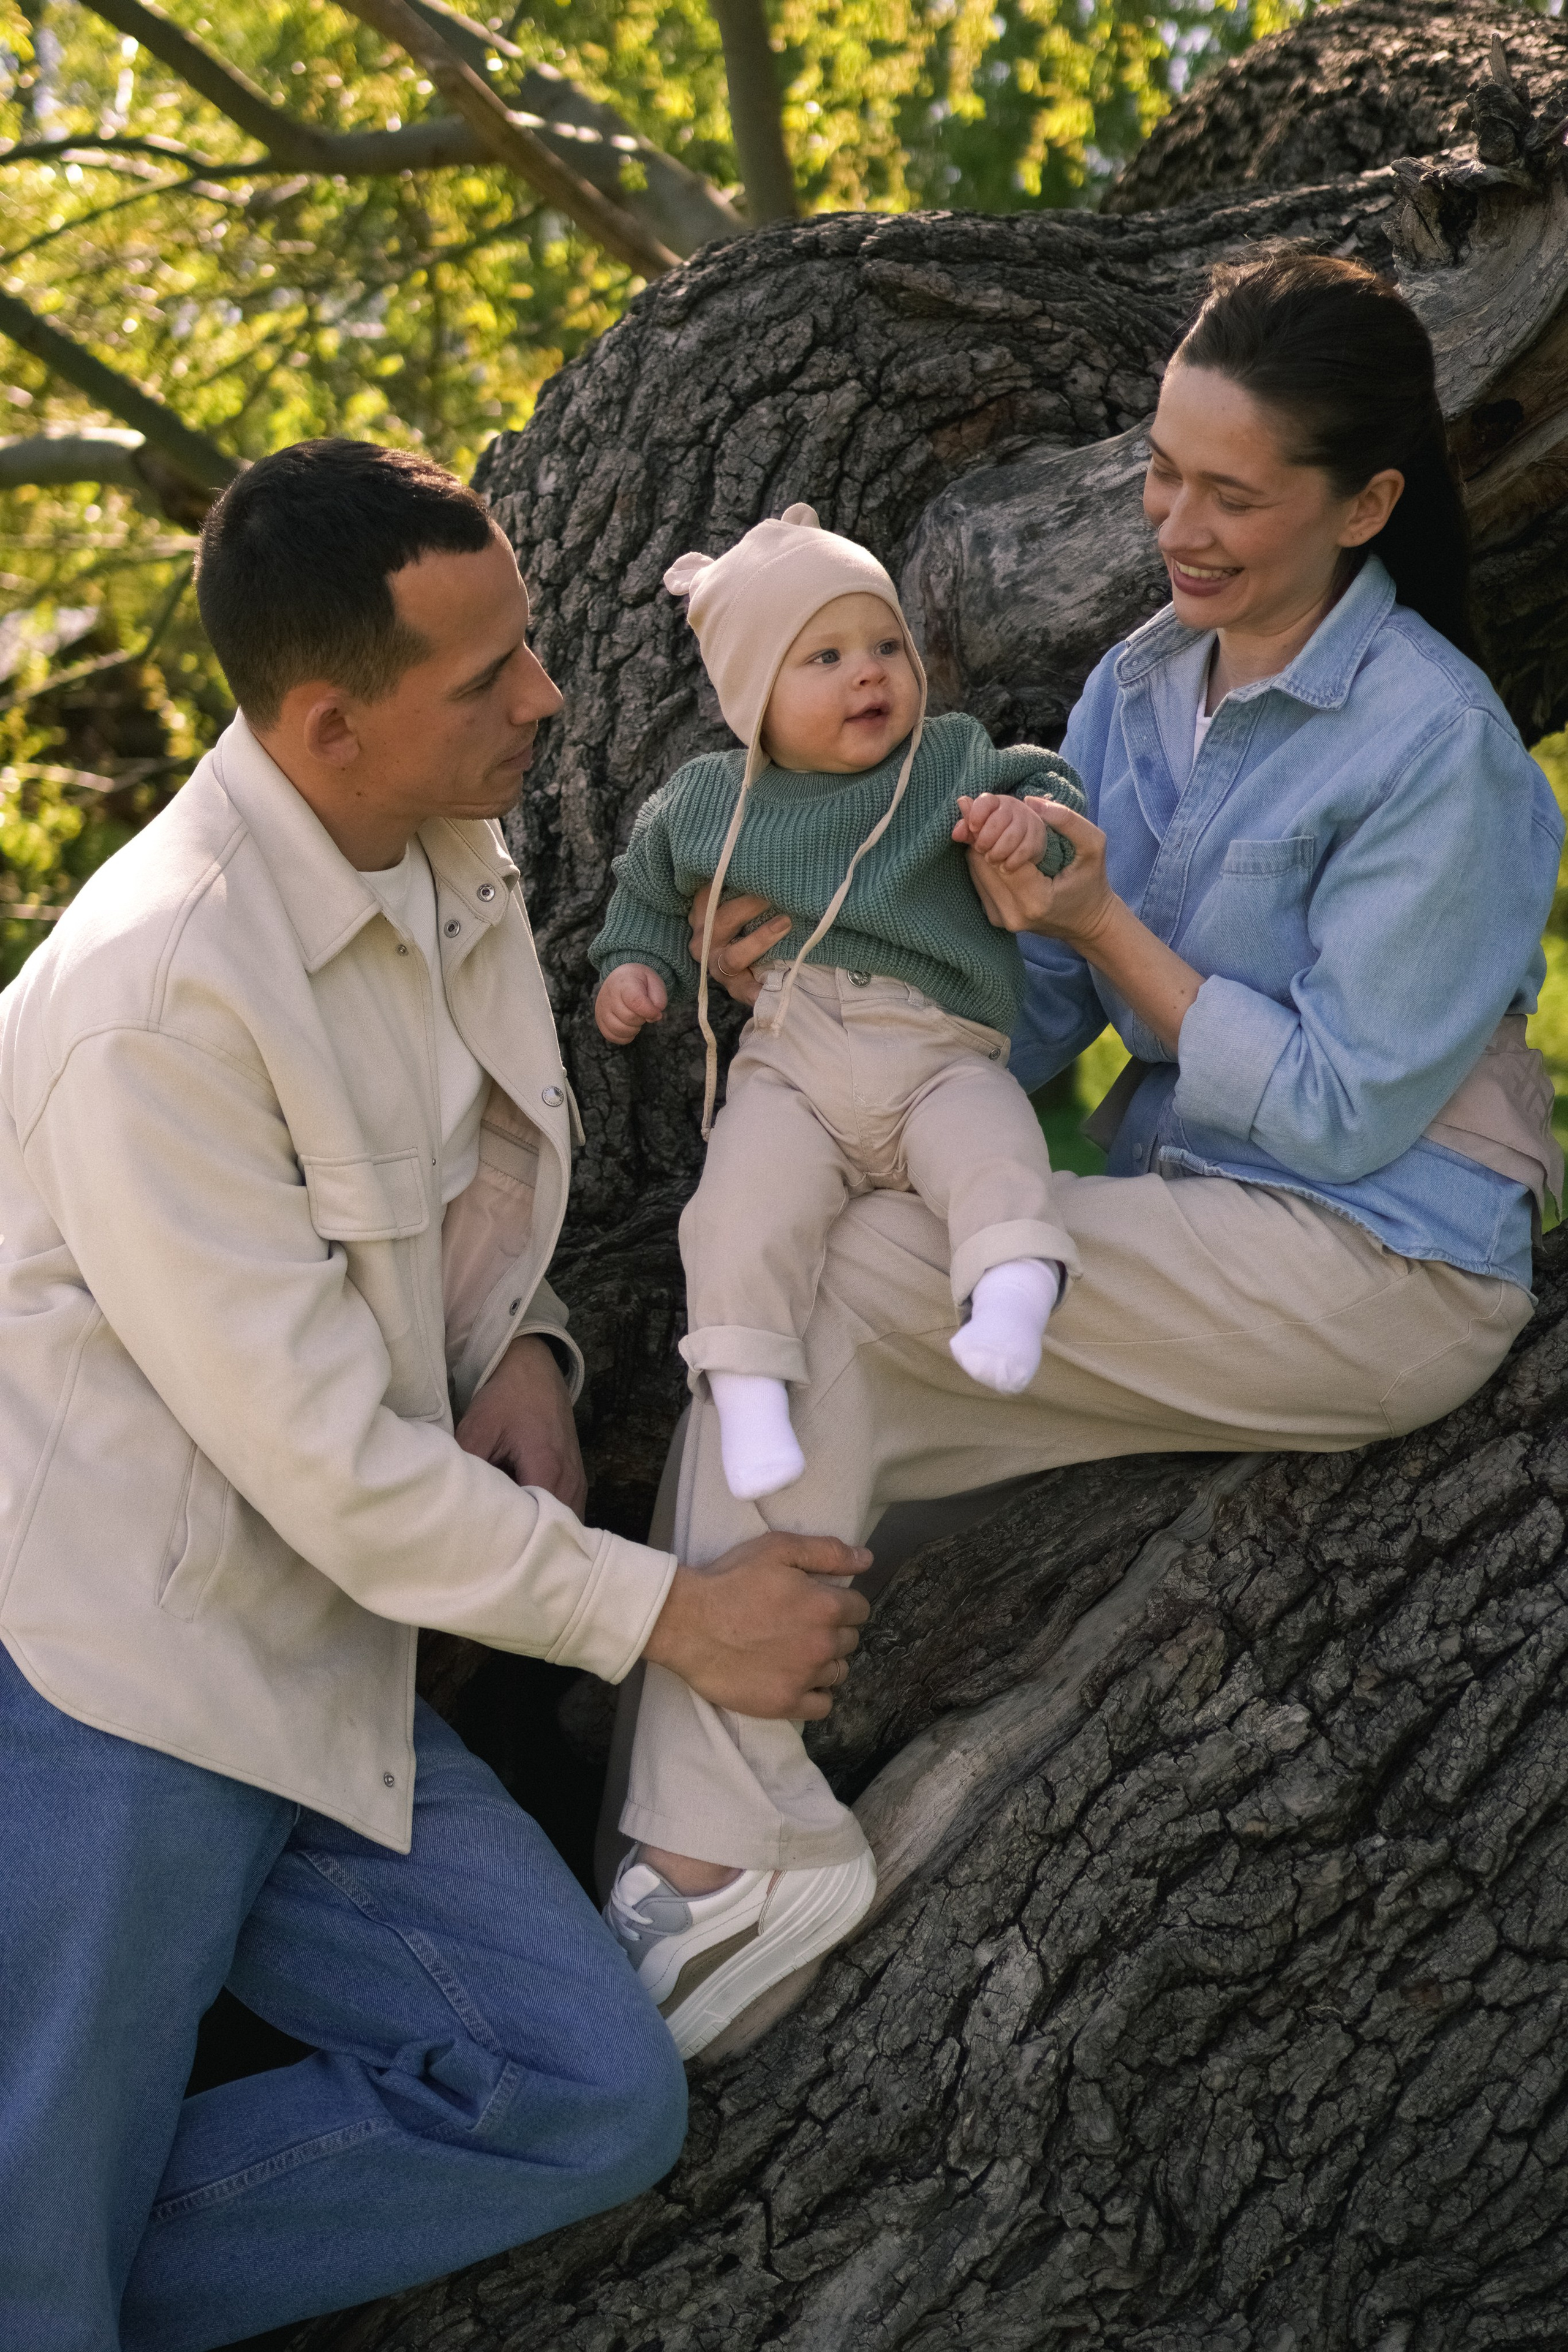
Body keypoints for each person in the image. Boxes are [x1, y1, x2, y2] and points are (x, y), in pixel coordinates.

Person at [603, 252, 1564, 2062]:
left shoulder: (1438, 747)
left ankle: (708, 1867)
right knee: (789, 1321)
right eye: (1160, 472)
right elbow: (1021, 1023)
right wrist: (831, 961)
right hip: (1199, 1236)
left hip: (1393, 1259)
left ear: (1364, 505)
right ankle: (704, 1859)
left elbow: (1351, 1107)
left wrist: (1115, 933)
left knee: (867, 1274)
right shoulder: (1134, 689)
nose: (1175, 524)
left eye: (1230, 492)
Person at [0, 439, 872, 2352]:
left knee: (584, 2097)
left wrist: (535, 1355)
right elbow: (323, 1463)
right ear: (328, 724)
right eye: (487, 680)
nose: (547, 701)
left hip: (345, 1666)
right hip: (114, 1684)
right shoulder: (154, 1005)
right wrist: (679, 1622)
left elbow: (454, 1200)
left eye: (529, 647)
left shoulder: (442, 858)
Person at [589, 505, 1084, 2053]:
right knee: (739, 1211)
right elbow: (631, 897)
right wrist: (637, 973)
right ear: (752, 701)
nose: (868, 676)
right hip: (796, 1057)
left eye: (881, 644)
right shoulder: (706, 807)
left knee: (992, 1158)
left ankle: (1009, 1290)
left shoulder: (949, 764)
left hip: (934, 1048)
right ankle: (743, 1387)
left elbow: (1050, 804)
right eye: (823, 658)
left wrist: (1032, 835)